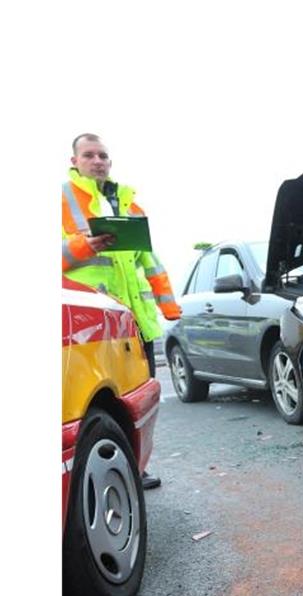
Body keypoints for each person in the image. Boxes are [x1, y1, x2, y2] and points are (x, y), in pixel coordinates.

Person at [62, 133, 182, 490]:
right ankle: (103, 474)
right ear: (75, 162)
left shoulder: (128, 203)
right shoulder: (61, 200)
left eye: (103, 155)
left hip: (133, 322)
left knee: (137, 405)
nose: (97, 161)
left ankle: (136, 468)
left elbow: (150, 260)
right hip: (91, 323)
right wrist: (84, 245)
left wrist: (168, 306)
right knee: (98, 406)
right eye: (89, 155)